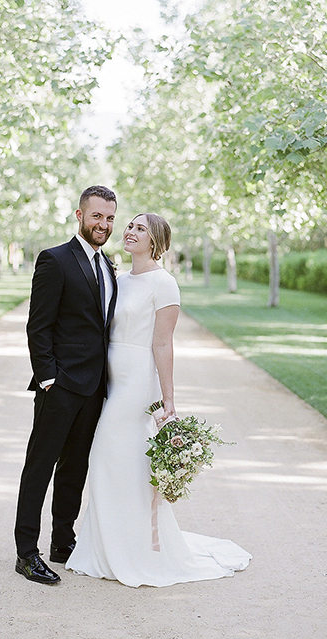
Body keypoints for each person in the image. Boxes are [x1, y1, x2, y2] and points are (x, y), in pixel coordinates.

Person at [66, 213, 252, 587]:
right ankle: (105, 545)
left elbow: (163, 343)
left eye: (140, 229)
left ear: (155, 242)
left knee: (110, 454)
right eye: (130, 226)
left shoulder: (164, 284)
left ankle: (137, 549)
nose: (130, 232)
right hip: (108, 376)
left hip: (136, 381)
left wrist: (168, 400)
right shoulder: (117, 278)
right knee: (112, 461)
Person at [14, 185, 117, 585]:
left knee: (75, 468)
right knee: (40, 467)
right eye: (96, 217)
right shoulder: (55, 260)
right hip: (60, 387)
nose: (103, 225)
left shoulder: (107, 265)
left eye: (109, 218)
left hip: (94, 388)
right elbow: (38, 326)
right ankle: (26, 553)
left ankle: (62, 542)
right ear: (79, 216)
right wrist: (48, 379)